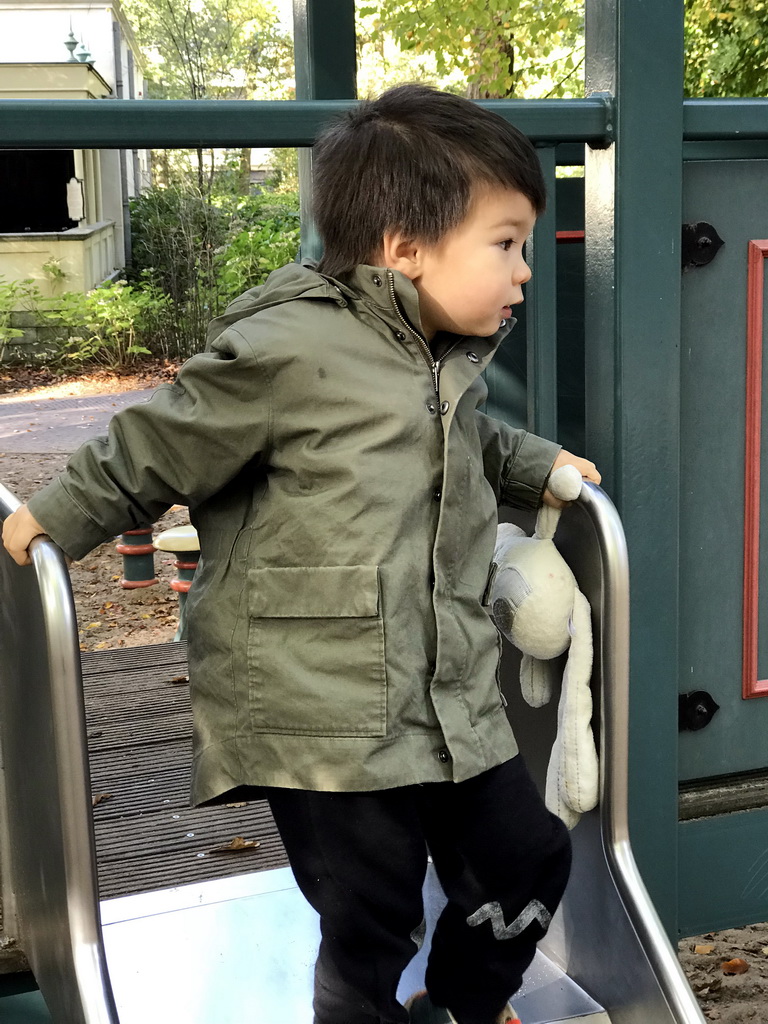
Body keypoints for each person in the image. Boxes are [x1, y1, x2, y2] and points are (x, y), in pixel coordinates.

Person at [3, 85, 600, 1024]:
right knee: (372, 910)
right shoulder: (286, 350)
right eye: (506, 243)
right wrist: (51, 518)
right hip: (318, 706)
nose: (524, 271)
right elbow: (159, 441)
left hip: (444, 693)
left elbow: (466, 445)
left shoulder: (441, 355)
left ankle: (462, 1002)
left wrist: (538, 466)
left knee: (528, 856)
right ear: (406, 247)